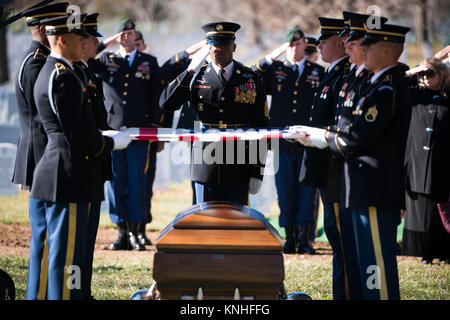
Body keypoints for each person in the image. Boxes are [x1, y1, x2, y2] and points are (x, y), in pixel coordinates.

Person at [297, 22, 412, 300]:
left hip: (375, 186)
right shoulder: (373, 83)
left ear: (387, 51)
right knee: (364, 260)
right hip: (361, 184)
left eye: (368, 45)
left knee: (375, 264)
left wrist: (324, 138)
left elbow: (358, 136)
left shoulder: (387, 88)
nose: (360, 49)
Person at [32, 14, 131, 300]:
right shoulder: (64, 77)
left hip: (64, 172)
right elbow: (77, 136)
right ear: (63, 40)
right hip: (70, 174)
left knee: (62, 255)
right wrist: (111, 144)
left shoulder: (59, 72)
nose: (89, 42)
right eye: (80, 38)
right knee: (69, 257)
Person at [160, 22, 269, 205]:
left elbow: (261, 125)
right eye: (213, 44)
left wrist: (257, 171)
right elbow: (166, 103)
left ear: (234, 46)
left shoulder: (250, 77)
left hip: (239, 162)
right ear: (207, 47)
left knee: (236, 223)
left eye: (224, 44)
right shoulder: (196, 76)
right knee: (205, 222)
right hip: (205, 163)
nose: (218, 49)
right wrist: (189, 71)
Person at [89, 19, 163, 251]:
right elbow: (87, 59)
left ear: (136, 36)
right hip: (112, 130)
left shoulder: (148, 62)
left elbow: (156, 98)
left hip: (139, 132)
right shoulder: (107, 59)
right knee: (115, 183)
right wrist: (107, 41)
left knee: (137, 181)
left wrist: (154, 129)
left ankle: (135, 232)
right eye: (122, 33)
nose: (125, 37)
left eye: (129, 33)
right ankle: (121, 231)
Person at [298, 16, 358, 300]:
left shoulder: (344, 75)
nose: (318, 44)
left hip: (335, 169)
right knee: (337, 237)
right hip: (326, 166)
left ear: (340, 42)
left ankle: (344, 294)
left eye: (325, 39)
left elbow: (338, 126)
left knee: (341, 238)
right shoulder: (332, 73)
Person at [12, 2, 69, 300]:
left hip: (39, 151)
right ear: (48, 30)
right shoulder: (38, 62)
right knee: (45, 235)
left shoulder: (36, 58)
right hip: (40, 152)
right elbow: (43, 116)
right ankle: (38, 293)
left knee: (45, 234)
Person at [254, 29, 324, 254]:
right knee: (285, 190)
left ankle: (304, 237)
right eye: (290, 44)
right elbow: (257, 70)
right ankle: (290, 236)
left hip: (307, 141)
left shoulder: (317, 71)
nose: (295, 47)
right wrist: (277, 53)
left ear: (306, 45)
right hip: (283, 141)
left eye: (299, 43)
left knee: (306, 190)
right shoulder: (277, 69)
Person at [72, 12, 112, 299]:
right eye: (92, 38)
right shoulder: (73, 74)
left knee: (87, 239)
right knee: (76, 240)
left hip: (94, 165)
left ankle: (83, 291)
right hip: (81, 166)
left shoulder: (87, 72)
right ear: (80, 41)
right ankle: (75, 292)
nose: (97, 42)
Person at [403, 57, 450, 264]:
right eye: (425, 74)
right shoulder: (415, 95)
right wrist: (416, 71)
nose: (426, 77)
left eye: (431, 73)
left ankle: (446, 252)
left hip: (443, 163)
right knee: (420, 211)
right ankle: (425, 253)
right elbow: (398, 83)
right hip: (418, 163)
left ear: (443, 75)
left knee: (441, 211)